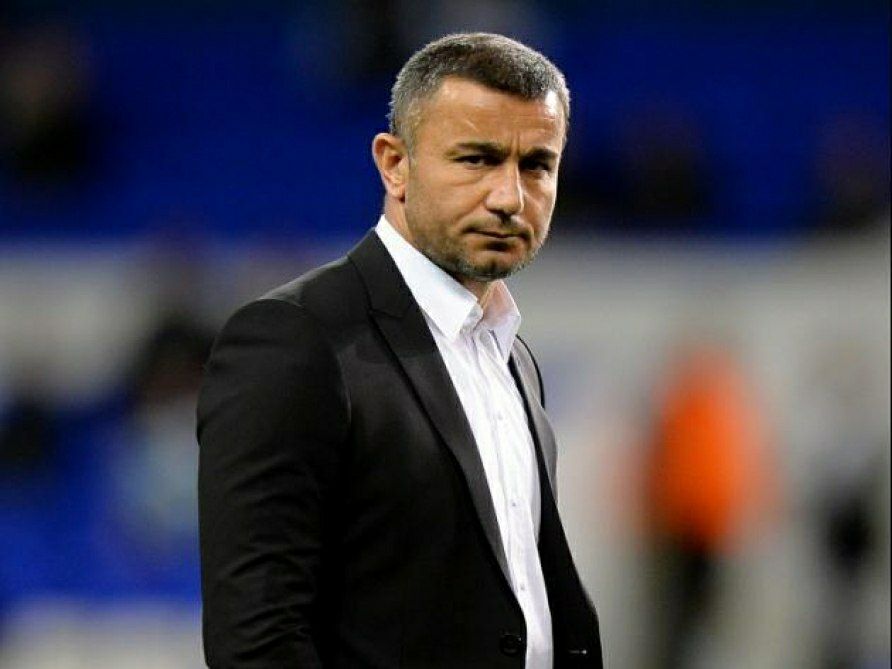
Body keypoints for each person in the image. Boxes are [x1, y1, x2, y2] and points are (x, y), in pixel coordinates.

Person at [197, 32, 602, 668]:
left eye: (536, 166)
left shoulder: (511, 356)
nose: (509, 198)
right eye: (477, 159)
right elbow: (258, 639)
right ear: (394, 164)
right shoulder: (295, 339)